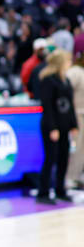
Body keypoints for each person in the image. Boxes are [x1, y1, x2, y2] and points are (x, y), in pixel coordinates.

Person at [35, 50, 78, 204]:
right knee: (50, 158)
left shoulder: (65, 80)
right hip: (51, 126)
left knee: (63, 158)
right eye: (67, 60)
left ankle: (60, 190)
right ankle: (43, 192)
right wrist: (52, 128)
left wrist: (74, 125)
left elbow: (70, 105)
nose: (70, 63)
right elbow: (47, 106)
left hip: (65, 125)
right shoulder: (48, 80)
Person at [65, 55, 84, 188]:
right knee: (75, 147)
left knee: (82, 150)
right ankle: (69, 178)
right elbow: (64, 90)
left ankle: (76, 176)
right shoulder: (75, 72)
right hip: (76, 115)